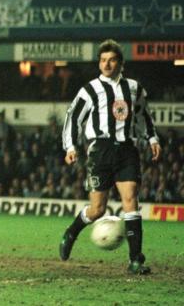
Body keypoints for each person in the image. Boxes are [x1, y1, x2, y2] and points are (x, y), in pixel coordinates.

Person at [59, 39, 160, 275]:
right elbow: (73, 118)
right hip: (100, 151)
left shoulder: (134, 88)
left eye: (112, 60)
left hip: (127, 149)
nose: (106, 64)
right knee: (97, 209)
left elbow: (143, 115)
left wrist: (152, 138)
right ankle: (71, 232)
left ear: (121, 63)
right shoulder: (89, 90)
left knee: (130, 199)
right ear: (99, 63)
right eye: (103, 60)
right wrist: (70, 147)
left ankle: (135, 260)